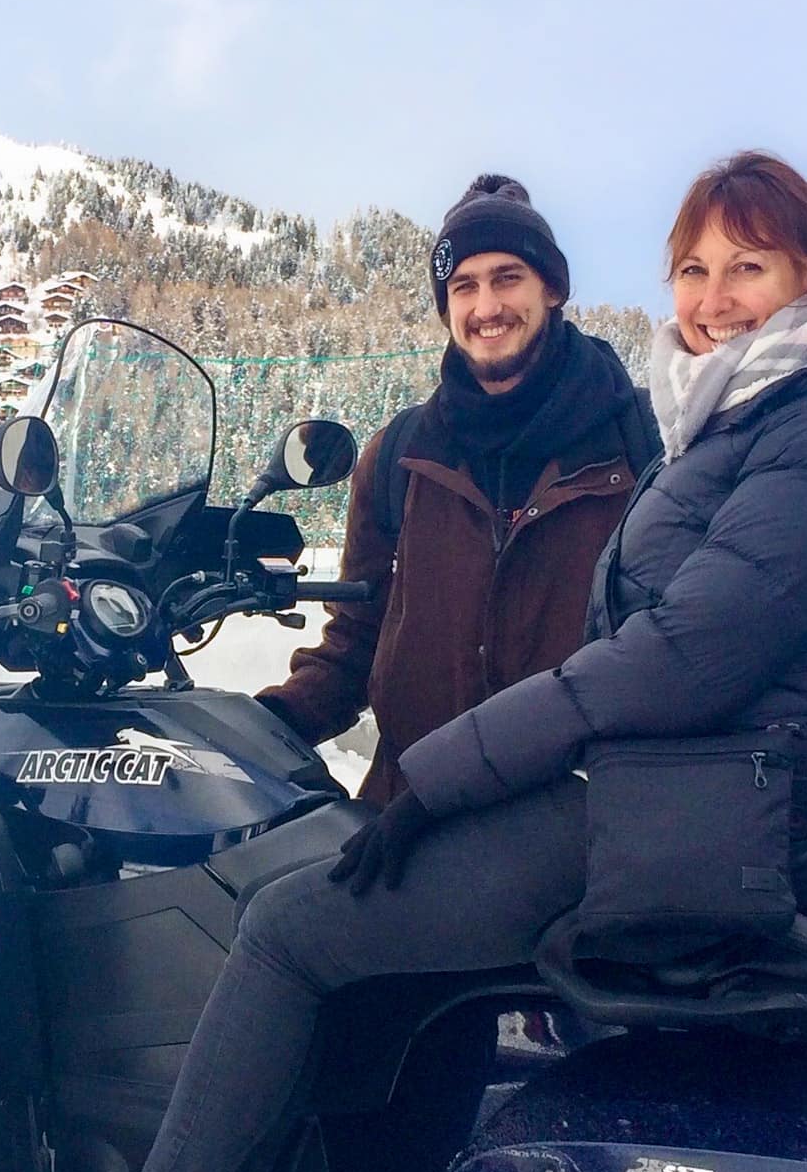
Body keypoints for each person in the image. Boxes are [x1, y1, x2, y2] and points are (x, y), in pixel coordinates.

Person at [0, 150, 807, 1172]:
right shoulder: (721, 417)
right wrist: (287, 721)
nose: (713, 295)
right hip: (618, 788)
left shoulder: (736, 431)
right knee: (357, 962)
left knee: (285, 931)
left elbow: (677, 656)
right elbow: (374, 622)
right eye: (695, 268)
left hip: (632, 805)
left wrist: (447, 773)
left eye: (747, 267)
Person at [258, 172, 658, 806]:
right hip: (404, 819)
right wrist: (262, 728)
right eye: (463, 287)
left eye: (507, 278)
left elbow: (666, 651)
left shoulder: (641, 445)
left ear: (551, 288)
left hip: (570, 828)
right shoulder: (401, 455)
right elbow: (356, 643)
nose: (486, 308)